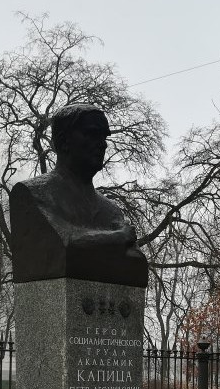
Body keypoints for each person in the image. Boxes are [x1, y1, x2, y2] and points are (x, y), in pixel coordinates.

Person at [10, 104, 147, 286]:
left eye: (104, 137)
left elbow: (136, 260)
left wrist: (94, 246)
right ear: (64, 140)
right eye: (91, 134)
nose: (102, 144)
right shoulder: (31, 194)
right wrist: (117, 238)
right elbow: (64, 245)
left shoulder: (111, 210)